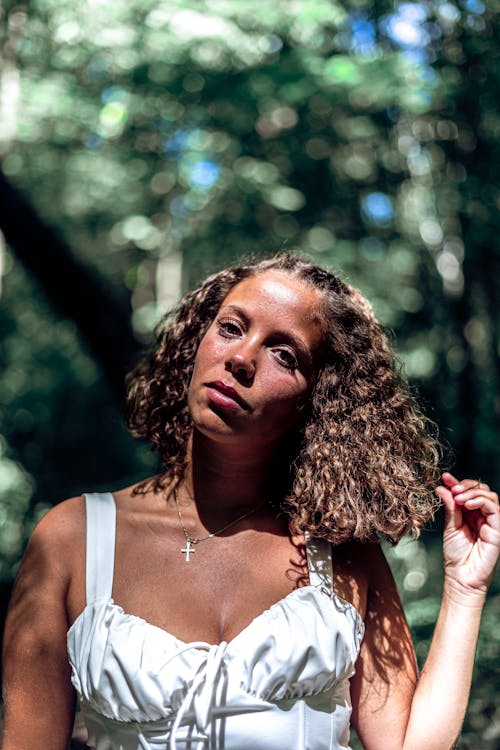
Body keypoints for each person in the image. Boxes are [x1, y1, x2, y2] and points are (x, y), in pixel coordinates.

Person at [1, 253, 499, 750]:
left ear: (318, 402)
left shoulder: (341, 553)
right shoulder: (74, 539)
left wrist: (465, 589)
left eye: (284, 354)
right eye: (231, 327)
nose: (241, 358)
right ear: (197, 340)